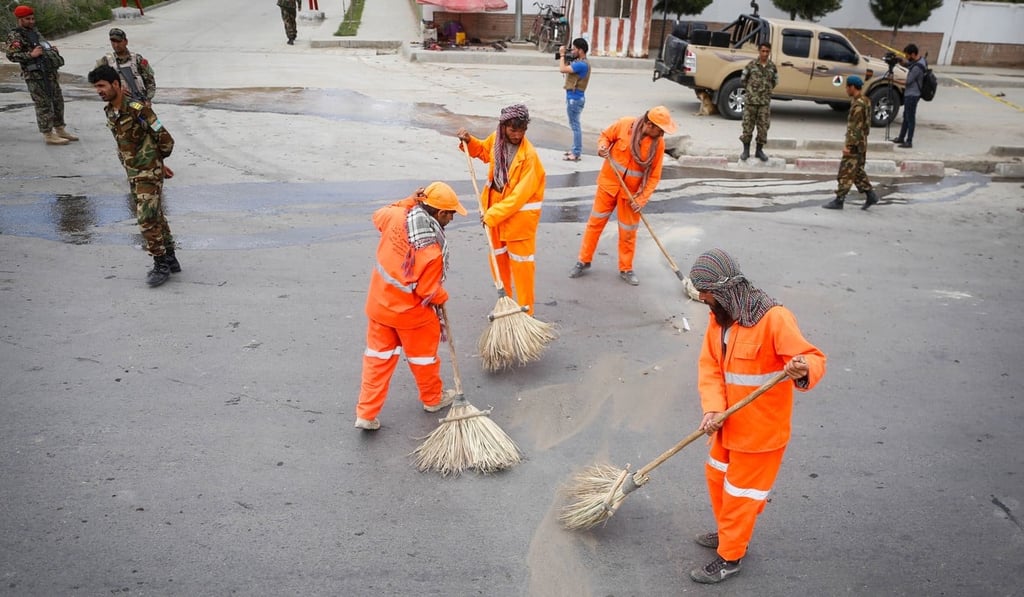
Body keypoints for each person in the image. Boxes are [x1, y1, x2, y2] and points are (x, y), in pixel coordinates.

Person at [687, 248, 826, 585]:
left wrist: (801, 367)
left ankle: (730, 556)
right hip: (725, 426)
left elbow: (813, 357)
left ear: (723, 291)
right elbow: (710, 366)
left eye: (707, 295)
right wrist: (713, 408)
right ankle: (728, 533)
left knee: (740, 495)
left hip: (760, 434)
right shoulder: (719, 319)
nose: (704, 301)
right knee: (717, 480)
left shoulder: (774, 318)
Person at [355, 183, 468, 431]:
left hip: (379, 307)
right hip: (411, 315)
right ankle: (433, 399)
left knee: (377, 360)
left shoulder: (397, 215)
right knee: (423, 359)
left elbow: (378, 216)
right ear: (438, 214)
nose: (451, 218)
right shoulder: (432, 250)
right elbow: (427, 291)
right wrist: (443, 295)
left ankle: (366, 413)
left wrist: (408, 200)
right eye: (450, 214)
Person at [88, 65, 180, 288]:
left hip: (148, 172)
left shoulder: (138, 109)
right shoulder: (111, 111)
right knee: (155, 214)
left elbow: (166, 139)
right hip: (133, 172)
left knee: (146, 218)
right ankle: (170, 258)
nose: (98, 91)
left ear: (116, 85)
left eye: (102, 86)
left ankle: (160, 264)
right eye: (96, 87)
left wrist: (157, 161)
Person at [568, 106, 676, 286]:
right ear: (649, 125)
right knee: (595, 224)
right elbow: (605, 136)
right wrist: (602, 146)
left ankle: (626, 268)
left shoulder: (658, 144)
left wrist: (642, 199)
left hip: (632, 195)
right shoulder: (624, 125)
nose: (662, 133)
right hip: (608, 186)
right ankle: (583, 260)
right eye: (660, 129)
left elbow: (655, 176)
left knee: (628, 232)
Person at [457, 104, 546, 315]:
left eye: (521, 130)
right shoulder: (497, 140)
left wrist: (492, 216)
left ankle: (526, 314)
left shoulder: (530, 157)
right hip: (494, 210)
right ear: (503, 127)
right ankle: (505, 303)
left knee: (522, 268)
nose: (516, 135)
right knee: (498, 260)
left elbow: (518, 197)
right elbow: (484, 152)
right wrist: (469, 141)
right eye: (512, 130)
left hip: (518, 219)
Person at [4, 5, 78, 145]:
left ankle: (60, 129)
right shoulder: (15, 35)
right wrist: (30, 55)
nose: (31, 21)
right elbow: (11, 55)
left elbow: (43, 46)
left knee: (57, 101)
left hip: (49, 72)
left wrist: (51, 50)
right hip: (34, 76)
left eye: (33, 18)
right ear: (20, 20)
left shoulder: (35, 32)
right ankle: (48, 134)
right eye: (28, 19)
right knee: (43, 104)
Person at [823, 76, 879, 210]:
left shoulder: (858, 105)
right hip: (862, 142)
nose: (846, 89)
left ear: (853, 87)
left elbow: (856, 127)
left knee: (845, 172)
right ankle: (871, 195)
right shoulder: (865, 101)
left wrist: (848, 146)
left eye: (847, 86)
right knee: (857, 171)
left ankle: (839, 200)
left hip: (855, 144)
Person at [739, 42, 778, 162]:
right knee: (747, 126)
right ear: (759, 51)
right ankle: (746, 151)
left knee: (763, 128)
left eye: (767, 51)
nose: (765, 54)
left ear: (769, 52)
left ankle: (759, 151)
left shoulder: (772, 67)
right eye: (763, 51)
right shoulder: (751, 65)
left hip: (764, 103)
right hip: (751, 102)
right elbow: (743, 80)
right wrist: (752, 92)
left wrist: (765, 91)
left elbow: (775, 82)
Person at [96, 28, 156, 105]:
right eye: (113, 42)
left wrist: (148, 99)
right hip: (117, 105)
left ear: (126, 41)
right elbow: (96, 82)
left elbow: (150, 81)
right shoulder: (105, 61)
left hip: (139, 103)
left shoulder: (137, 59)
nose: (116, 45)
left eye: (119, 41)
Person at [558, 37, 590, 162]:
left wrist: (562, 55)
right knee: (574, 125)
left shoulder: (581, 64)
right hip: (575, 98)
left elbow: (562, 69)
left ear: (581, 50)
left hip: (575, 99)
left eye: (575, 48)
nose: (573, 51)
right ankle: (574, 149)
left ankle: (576, 152)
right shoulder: (581, 62)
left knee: (575, 126)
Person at [893, 43, 926, 149]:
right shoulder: (919, 61)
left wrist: (893, 80)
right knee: (906, 117)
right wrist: (901, 62)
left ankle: (909, 141)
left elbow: (908, 82)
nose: (906, 57)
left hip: (912, 95)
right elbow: (909, 64)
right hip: (911, 94)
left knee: (910, 118)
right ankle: (901, 137)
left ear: (913, 54)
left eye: (907, 55)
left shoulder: (918, 67)